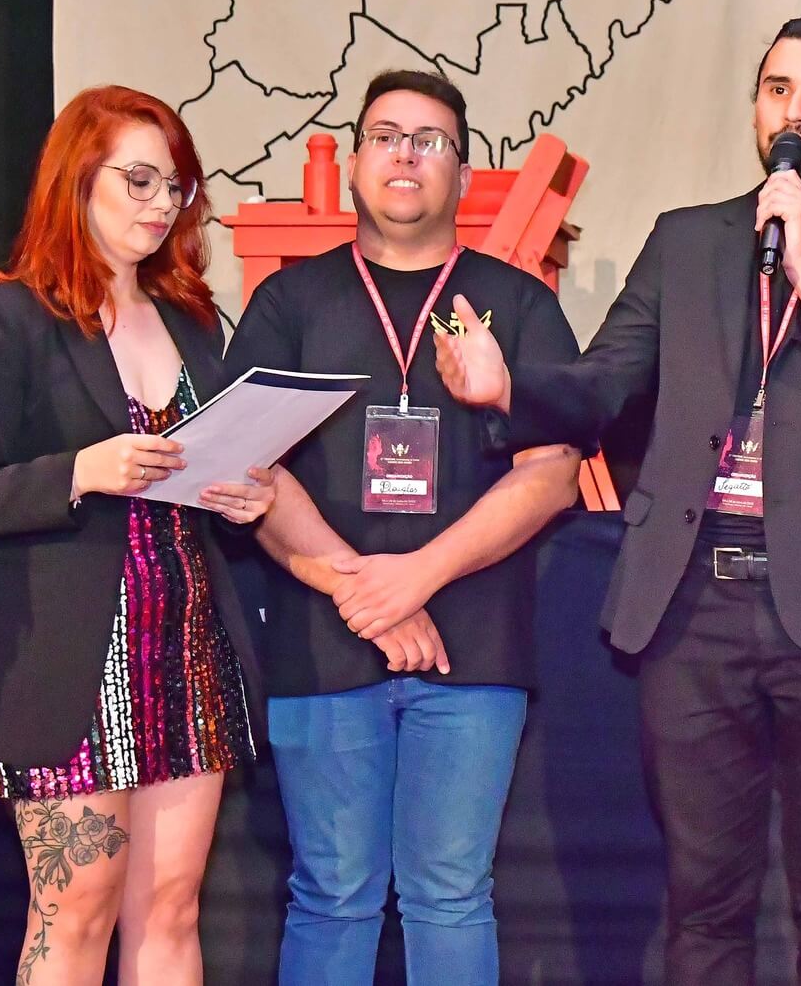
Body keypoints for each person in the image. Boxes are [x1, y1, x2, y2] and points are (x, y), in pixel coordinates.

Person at [433, 15, 801, 985]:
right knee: (702, 902)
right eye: (777, 88)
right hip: (692, 604)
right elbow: (605, 381)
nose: (793, 112)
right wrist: (511, 389)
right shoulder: (687, 240)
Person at [226, 69, 583, 986]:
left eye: (431, 141)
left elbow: (551, 475)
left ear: (462, 171)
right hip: (323, 645)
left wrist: (417, 576)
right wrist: (365, 591)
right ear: (354, 161)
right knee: (331, 893)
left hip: (474, 650)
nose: (406, 155)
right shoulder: (289, 304)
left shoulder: (520, 304)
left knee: (451, 893)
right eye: (386, 135)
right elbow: (250, 467)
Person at [0, 85, 272, 986]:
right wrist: (80, 470)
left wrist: (243, 494)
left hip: (185, 645)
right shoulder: (6, 317)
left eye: (177, 187)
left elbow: (206, 463)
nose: (162, 204)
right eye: (140, 180)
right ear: (77, 178)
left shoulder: (192, 319)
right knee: (74, 911)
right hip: (64, 662)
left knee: (171, 908)